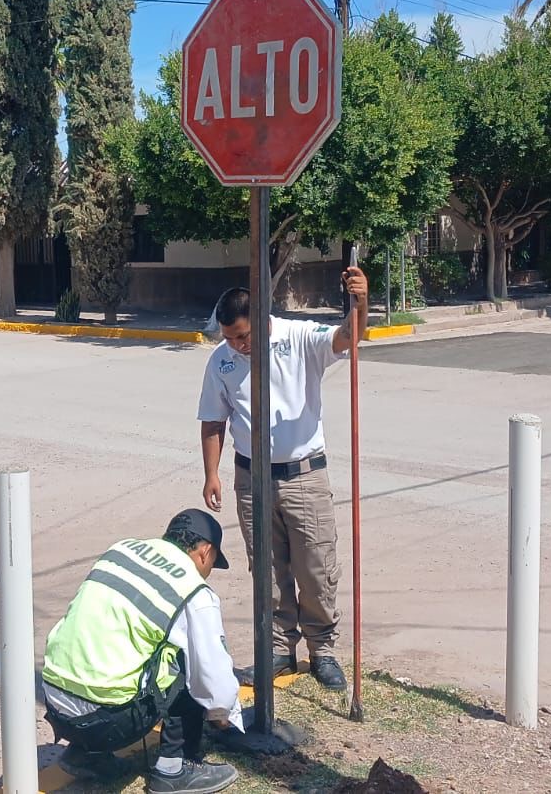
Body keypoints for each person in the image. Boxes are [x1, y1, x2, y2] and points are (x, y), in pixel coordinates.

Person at [197, 267, 368, 691]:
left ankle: (322, 650)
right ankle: (277, 649)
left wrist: (361, 302)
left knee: (315, 567)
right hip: (251, 479)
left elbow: (348, 337)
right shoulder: (221, 361)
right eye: (230, 338)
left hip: (304, 475)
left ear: (261, 317)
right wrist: (211, 474)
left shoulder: (299, 337)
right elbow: (213, 421)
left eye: (243, 335)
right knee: (267, 570)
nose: (238, 345)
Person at [42, 509, 244, 794]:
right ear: (205, 552)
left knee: (121, 644)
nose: (208, 571)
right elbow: (213, 677)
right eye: (212, 563)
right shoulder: (194, 591)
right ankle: (174, 769)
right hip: (108, 721)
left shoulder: (121, 550)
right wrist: (222, 713)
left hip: (56, 704)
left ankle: (85, 755)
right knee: (186, 657)